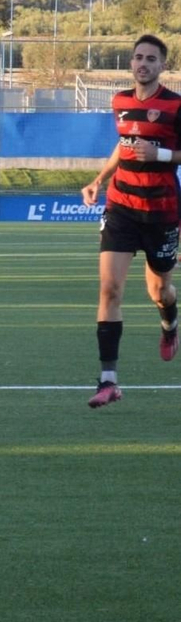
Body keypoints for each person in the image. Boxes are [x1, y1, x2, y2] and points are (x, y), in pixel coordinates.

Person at [80, 34, 181, 408]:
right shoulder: (120, 101)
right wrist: (98, 180)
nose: (143, 64)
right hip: (121, 206)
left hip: (161, 212)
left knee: (160, 291)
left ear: (162, 66)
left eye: (151, 59)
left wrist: (160, 153)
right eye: (138, 57)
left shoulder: (175, 105)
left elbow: (174, 153)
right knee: (110, 291)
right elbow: (122, 146)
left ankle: (170, 321)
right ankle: (108, 380)